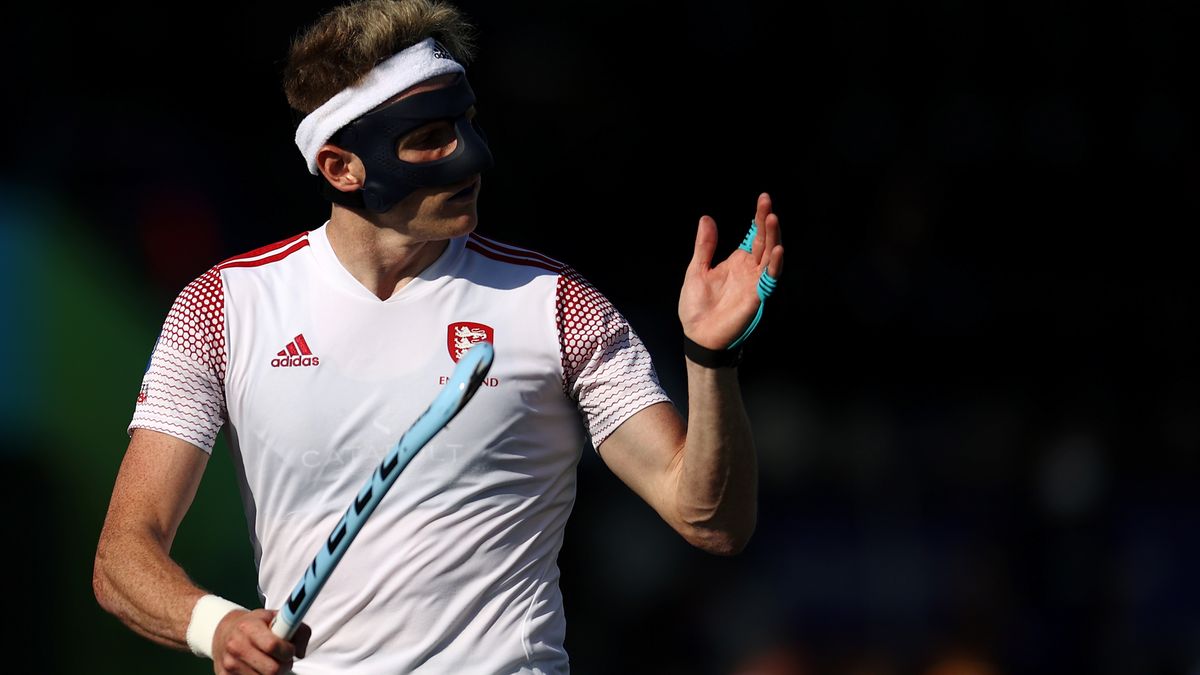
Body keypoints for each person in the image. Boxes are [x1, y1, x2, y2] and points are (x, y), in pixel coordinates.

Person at [92, 0, 784, 673]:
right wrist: (215, 625)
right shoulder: (221, 308)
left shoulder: (558, 306)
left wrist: (710, 358)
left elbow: (711, 520)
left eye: (467, 123)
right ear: (341, 167)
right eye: (429, 137)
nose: (471, 158)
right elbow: (123, 552)